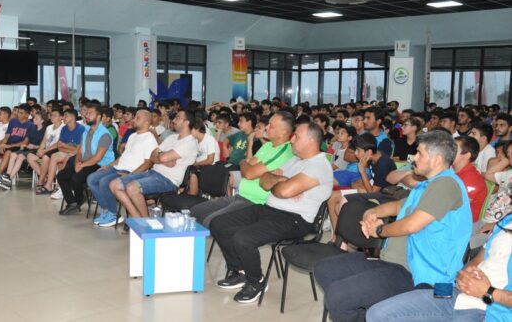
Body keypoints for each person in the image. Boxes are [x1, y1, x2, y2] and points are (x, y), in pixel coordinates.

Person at [314, 130, 473, 322]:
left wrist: (379, 230)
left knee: (339, 296)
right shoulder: (428, 184)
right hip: (392, 260)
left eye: (420, 153)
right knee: (325, 270)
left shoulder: (446, 184)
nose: (414, 158)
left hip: (418, 274)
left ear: (437, 160)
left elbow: (411, 226)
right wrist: (372, 212)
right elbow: (399, 205)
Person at [212, 122, 333, 303]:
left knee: (243, 238)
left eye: (297, 136)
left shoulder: (319, 166)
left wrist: (280, 183)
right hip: (269, 209)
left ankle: (256, 282)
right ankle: (240, 270)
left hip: (295, 220)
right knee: (219, 224)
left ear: (311, 141)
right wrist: (284, 180)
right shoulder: (294, 159)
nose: (292, 140)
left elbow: (281, 191)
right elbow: (264, 182)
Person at [365, 213, 512, 322]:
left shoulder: (446, 183)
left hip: (491, 310)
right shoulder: (507, 220)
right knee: (376, 314)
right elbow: (480, 257)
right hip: (457, 290)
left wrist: (488, 292)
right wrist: (466, 274)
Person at [190, 111, 295, 228]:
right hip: (240, 196)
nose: (267, 128)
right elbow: (247, 165)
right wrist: (245, 163)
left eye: (271, 125)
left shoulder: (284, 151)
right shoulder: (268, 146)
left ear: (284, 131)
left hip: (255, 202)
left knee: (210, 221)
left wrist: (244, 163)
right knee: (195, 211)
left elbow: (249, 173)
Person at [109, 109, 199, 218]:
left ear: (187, 122)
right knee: (114, 184)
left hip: (168, 180)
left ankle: (143, 221)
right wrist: (163, 159)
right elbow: (153, 154)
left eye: (178, 117)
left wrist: (161, 156)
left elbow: (162, 156)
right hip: (153, 173)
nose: (174, 120)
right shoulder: (172, 137)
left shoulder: (190, 142)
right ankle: (138, 218)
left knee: (132, 187)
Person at [88, 109, 157, 226]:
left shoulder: (149, 138)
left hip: (129, 171)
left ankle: (114, 214)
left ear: (146, 122)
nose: (134, 120)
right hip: (118, 167)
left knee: (104, 181)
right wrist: (109, 165)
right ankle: (106, 211)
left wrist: (132, 175)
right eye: (135, 117)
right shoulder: (132, 136)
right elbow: (123, 157)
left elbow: (148, 163)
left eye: (137, 118)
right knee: (92, 179)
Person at [58, 103, 115, 215]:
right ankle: (72, 203)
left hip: (100, 164)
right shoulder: (86, 130)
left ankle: (79, 200)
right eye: (86, 113)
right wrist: (77, 163)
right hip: (85, 162)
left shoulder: (105, 134)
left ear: (98, 117)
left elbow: (98, 157)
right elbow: (79, 150)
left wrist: (82, 166)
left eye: (90, 113)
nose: (86, 115)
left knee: (76, 178)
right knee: (61, 176)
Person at [41, 109, 85, 196]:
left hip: (78, 154)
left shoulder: (81, 129)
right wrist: (69, 148)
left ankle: (61, 188)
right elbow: (60, 146)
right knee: (54, 156)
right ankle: (49, 185)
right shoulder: (64, 128)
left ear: (72, 117)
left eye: (65, 116)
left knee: (66, 160)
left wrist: (67, 147)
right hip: (66, 152)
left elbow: (79, 149)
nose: (63, 118)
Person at [0, 110, 47, 189]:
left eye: (36, 118)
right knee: (13, 154)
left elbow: (44, 146)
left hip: (36, 150)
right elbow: (27, 140)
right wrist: (25, 145)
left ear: (42, 120)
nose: (34, 119)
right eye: (34, 118)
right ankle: (7, 176)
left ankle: (8, 179)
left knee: (20, 157)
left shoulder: (45, 130)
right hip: (29, 149)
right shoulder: (32, 128)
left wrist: (34, 147)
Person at [454, 136, 488, 222]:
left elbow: (455, 207)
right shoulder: (449, 169)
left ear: (467, 155)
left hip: (461, 224)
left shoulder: (473, 180)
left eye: (453, 149)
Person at [31, 108, 64, 193]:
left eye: (55, 115)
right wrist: (40, 149)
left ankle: (41, 181)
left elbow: (58, 144)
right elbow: (44, 141)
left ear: (61, 117)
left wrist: (44, 151)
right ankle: (46, 177)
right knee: (30, 156)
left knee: (45, 157)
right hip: (46, 150)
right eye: (51, 115)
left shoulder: (63, 127)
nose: (52, 117)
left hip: (55, 150)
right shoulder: (49, 127)